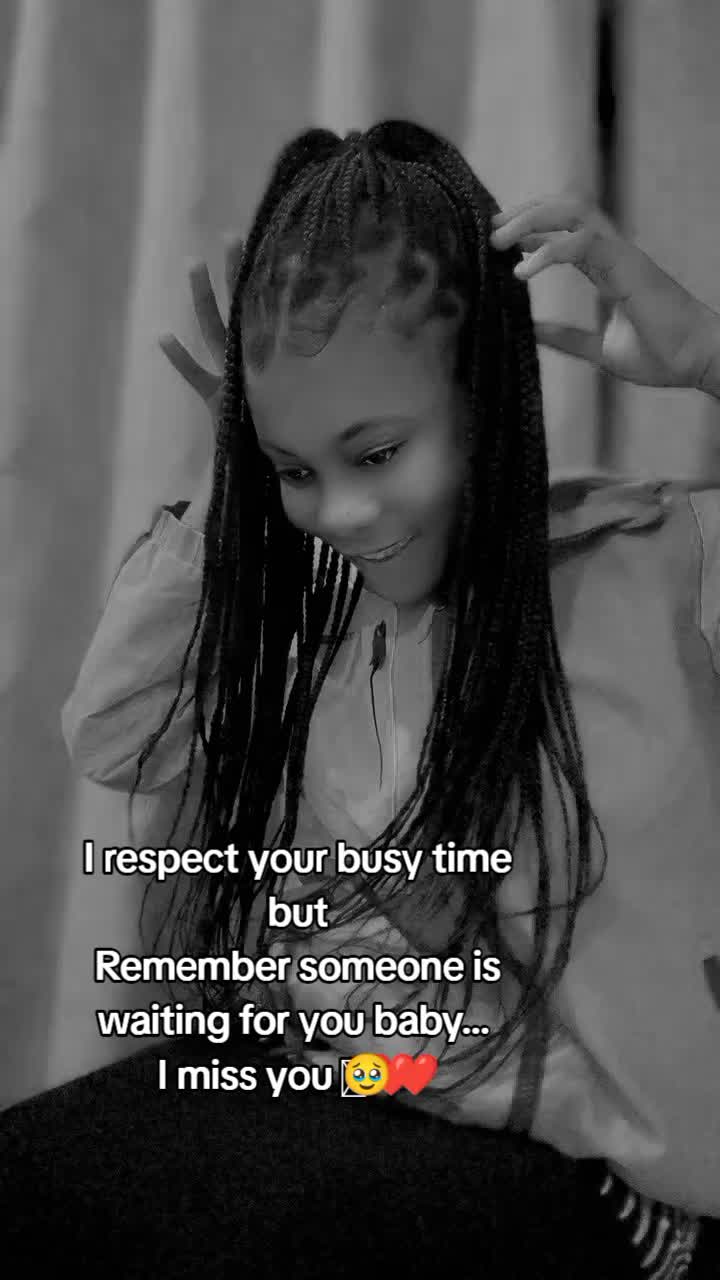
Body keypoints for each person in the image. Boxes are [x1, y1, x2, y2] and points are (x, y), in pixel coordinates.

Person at [58, 122, 719, 1277]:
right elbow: (114, 734)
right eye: (296, 469)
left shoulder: (620, 567)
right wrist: (230, 488)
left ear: (480, 397)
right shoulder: (347, 620)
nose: (342, 514)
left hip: (611, 1169)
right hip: (394, 1090)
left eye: (375, 453)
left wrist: (710, 355)